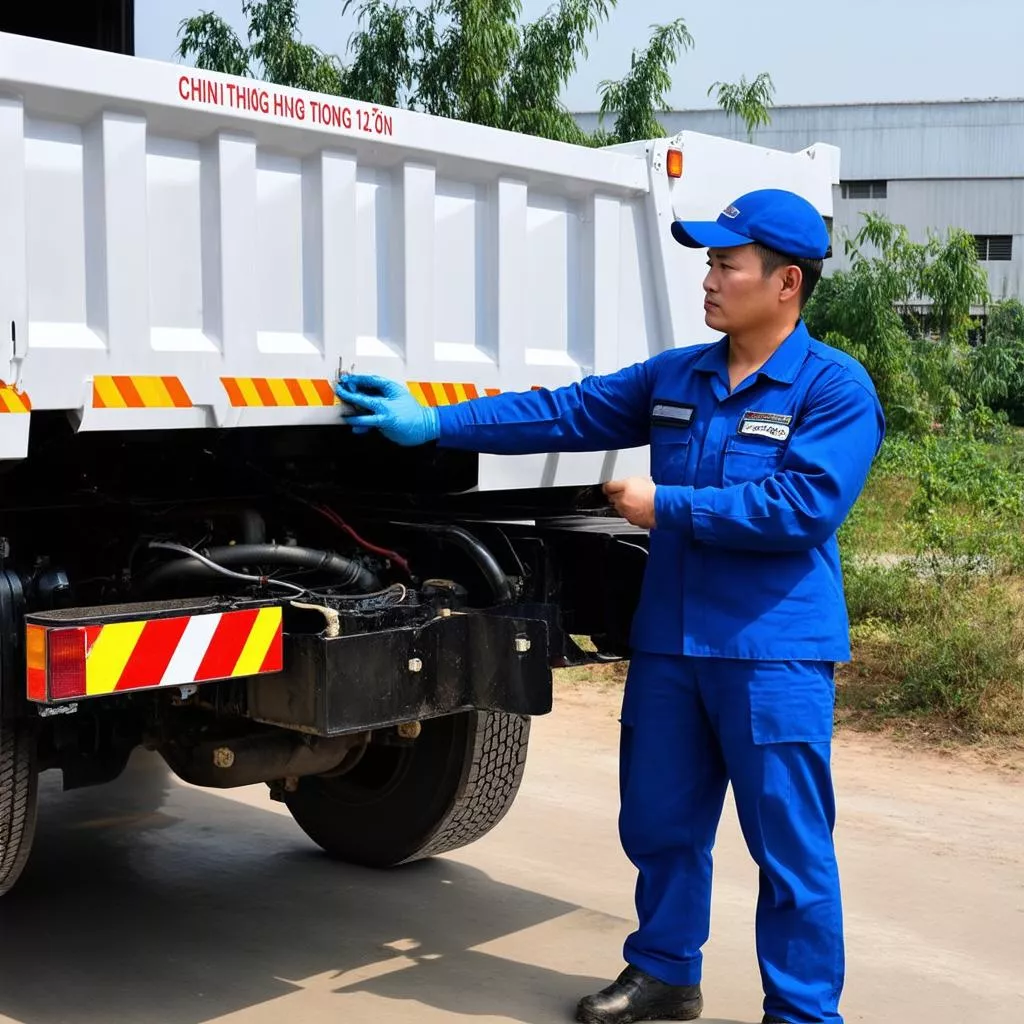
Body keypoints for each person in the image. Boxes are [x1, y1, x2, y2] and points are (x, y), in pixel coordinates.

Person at [334, 188, 885, 1024]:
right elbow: (563, 411)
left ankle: (803, 1012)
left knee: (791, 850)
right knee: (660, 822)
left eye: (725, 263)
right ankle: (665, 973)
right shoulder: (679, 375)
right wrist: (433, 423)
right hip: (671, 645)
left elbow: (802, 508)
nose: (708, 278)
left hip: (771, 654)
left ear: (786, 285)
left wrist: (668, 506)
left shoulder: (832, 389)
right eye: (708, 261)